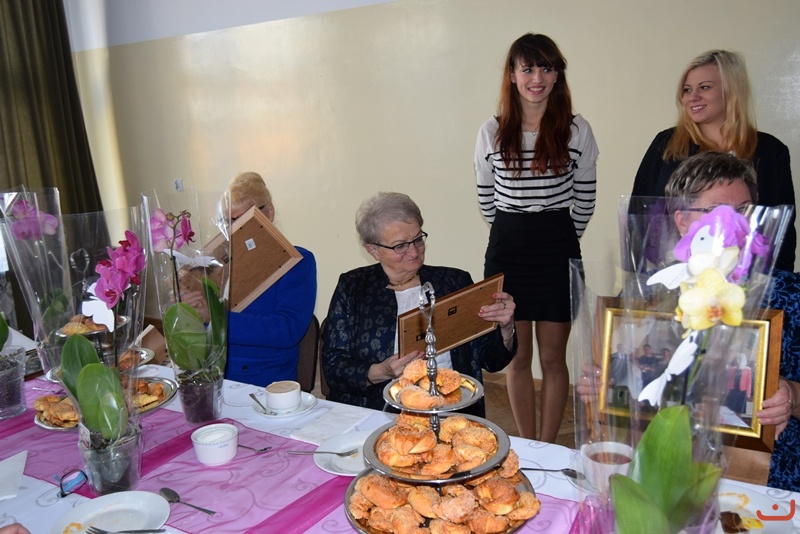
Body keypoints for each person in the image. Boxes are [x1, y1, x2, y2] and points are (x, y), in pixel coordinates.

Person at [474, 33, 599, 441]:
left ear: (557, 74)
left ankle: (548, 446)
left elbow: (585, 199)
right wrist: (515, 231)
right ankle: (527, 444)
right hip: (508, 247)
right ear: (512, 75)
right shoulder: (491, 132)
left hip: (556, 247)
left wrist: (558, 236)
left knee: (553, 359)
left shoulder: (576, 130)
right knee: (517, 356)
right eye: (527, 69)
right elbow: (487, 200)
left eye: (546, 68)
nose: (537, 78)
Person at [321, 192, 517, 417]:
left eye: (417, 239)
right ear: (373, 250)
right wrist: (381, 371)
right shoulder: (353, 287)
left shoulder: (454, 282)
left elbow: (491, 360)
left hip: (449, 408)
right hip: (376, 413)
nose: (414, 252)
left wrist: (506, 328)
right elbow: (333, 367)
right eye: (400, 246)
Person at [631, 49, 795, 272]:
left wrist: (777, 282)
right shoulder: (667, 145)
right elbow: (639, 217)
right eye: (687, 90)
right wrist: (641, 277)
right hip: (676, 276)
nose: (693, 97)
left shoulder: (770, 151)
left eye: (705, 87)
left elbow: (783, 231)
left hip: (749, 279)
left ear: (731, 91)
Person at [183, 172, 317, 387]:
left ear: (269, 212)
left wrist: (216, 318)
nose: (234, 229)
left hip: (265, 380)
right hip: (212, 369)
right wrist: (187, 306)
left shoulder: (296, 262)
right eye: (227, 221)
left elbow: (288, 330)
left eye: (244, 219)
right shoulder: (217, 263)